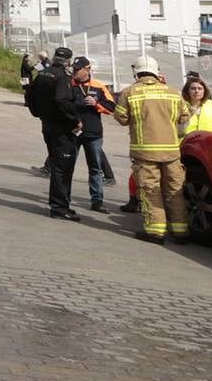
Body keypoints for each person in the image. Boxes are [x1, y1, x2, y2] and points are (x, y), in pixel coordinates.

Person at [112, 55, 191, 244]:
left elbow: (121, 118)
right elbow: (185, 116)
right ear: (157, 71)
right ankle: (180, 230)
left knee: (150, 190)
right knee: (175, 190)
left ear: (136, 72)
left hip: (144, 151)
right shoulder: (172, 92)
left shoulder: (129, 93)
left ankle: (155, 231)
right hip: (171, 151)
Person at [29, 46, 84, 220]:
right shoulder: (63, 77)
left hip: (48, 125)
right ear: (68, 62)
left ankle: (61, 205)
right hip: (62, 128)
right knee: (63, 169)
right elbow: (61, 100)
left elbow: (29, 94)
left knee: (57, 165)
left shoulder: (43, 74)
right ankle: (60, 208)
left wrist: (38, 113)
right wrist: (75, 120)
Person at [70, 57, 114, 212]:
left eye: (78, 69)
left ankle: (97, 201)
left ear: (87, 69)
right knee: (68, 166)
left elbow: (112, 108)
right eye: (74, 69)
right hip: (72, 132)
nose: (74, 72)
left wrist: (97, 105)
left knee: (95, 168)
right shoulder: (69, 84)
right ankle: (64, 198)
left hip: (93, 134)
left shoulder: (99, 86)